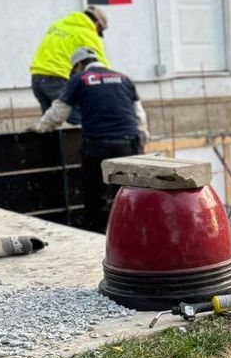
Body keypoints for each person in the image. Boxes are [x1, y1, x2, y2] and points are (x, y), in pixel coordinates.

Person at [32, 47, 148, 233]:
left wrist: (40, 127)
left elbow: (59, 111)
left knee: (94, 194)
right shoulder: (124, 78)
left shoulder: (79, 79)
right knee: (129, 193)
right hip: (129, 143)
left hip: (98, 144)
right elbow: (139, 114)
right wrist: (142, 140)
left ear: (78, 65)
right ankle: (132, 233)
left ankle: (97, 235)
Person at [29, 6, 110, 123]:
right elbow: (101, 66)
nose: (97, 34)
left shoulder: (58, 24)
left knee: (49, 124)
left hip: (37, 79)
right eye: (99, 30)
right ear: (97, 23)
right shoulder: (87, 33)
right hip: (57, 79)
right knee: (80, 120)